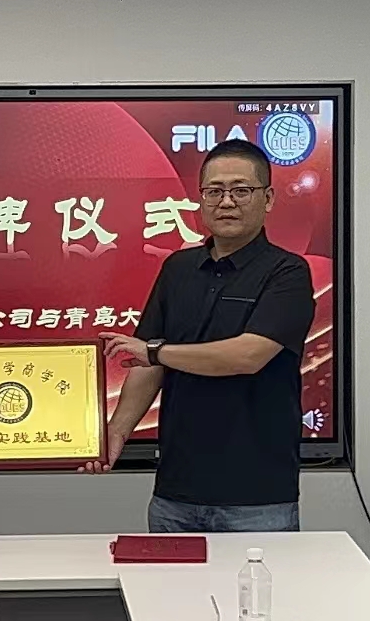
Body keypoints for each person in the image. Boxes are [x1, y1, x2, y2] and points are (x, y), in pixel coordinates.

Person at [82, 139, 316, 533]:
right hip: (175, 495)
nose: (227, 202)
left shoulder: (287, 272)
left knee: (258, 579)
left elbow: (247, 356)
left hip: (258, 498)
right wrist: (115, 432)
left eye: (241, 190)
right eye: (214, 191)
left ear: (268, 198)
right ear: (201, 198)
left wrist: (157, 352)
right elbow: (145, 364)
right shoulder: (178, 268)